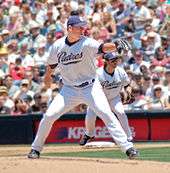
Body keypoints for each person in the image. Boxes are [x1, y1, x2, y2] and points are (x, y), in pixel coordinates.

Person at [27, 15, 138, 159]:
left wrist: (115, 46)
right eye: (79, 27)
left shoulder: (87, 42)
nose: (82, 29)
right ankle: (35, 149)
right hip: (69, 90)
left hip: (91, 87)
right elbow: (51, 66)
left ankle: (128, 148)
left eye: (83, 26)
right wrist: (47, 77)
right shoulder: (58, 45)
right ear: (69, 28)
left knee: (107, 114)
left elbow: (103, 47)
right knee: (48, 116)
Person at [79, 52, 133, 146]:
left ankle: (128, 137)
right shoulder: (98, 74)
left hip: (114, 98)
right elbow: (90, 89)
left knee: (121, 113)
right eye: (113, 60)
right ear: (106, 61)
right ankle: (89, 134)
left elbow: (127, 85)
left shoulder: (120, 71)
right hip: (98, 99)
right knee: (90, 116)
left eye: (116, 59)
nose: (115, 61)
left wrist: (128, 92)